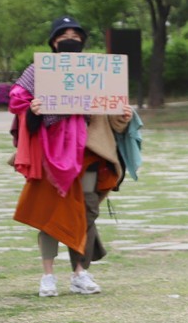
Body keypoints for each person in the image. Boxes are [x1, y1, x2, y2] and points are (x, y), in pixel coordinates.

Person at [9, 16, 136, 297]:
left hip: (89, 154)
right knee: (49, 213)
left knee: (87, 211)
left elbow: (113, 118)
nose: (70, 40)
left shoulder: (97, 72)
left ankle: (80, 272)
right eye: (64, 35)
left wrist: (124, 117)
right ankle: (48, 276)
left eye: (76, 36)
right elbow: (17, 100)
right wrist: (33, 108)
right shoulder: (37, 72)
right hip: (50, 154)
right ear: (53, 42)